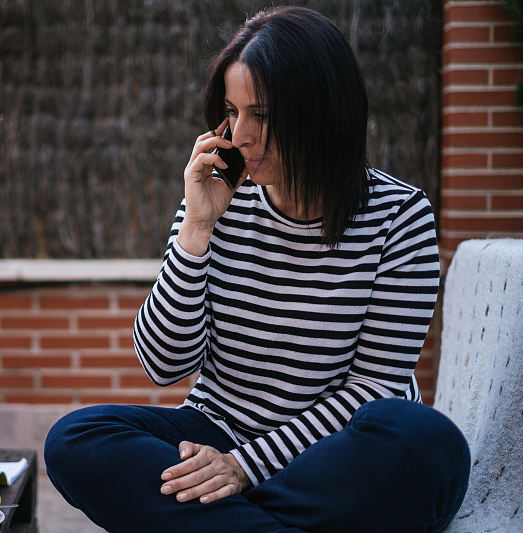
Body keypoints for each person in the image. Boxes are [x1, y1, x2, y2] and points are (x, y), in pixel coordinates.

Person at [45, 6, 470, 533]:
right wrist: (197, 228)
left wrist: (246, 468)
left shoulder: (399, 217)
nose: (240, 135)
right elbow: (162, 364)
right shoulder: (217, 199)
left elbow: (372, 390)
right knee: (75, 439)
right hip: (218, 429)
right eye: (232, 111)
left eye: (262, 115)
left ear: (320, 110)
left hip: (334, 457)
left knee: (427, 442)